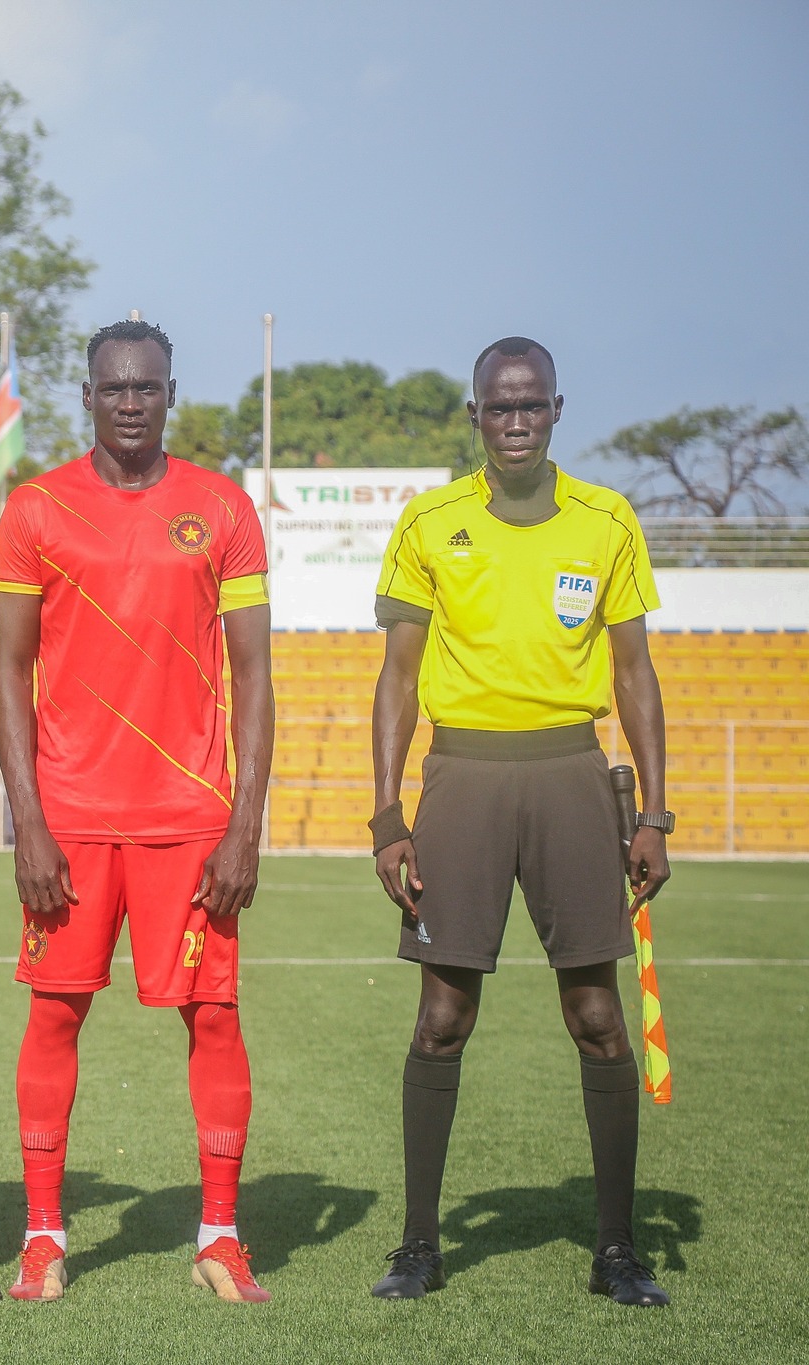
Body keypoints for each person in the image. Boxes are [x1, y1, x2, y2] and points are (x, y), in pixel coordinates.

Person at [368, 336, 672, 1307]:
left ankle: (616, 1250)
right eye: (497, 407)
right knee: (440, 1018)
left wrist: (654, 814)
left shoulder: (606, 519)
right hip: (460, 779)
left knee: (597, 1017)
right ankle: (418, 1245)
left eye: (530, 405)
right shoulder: (430, 521)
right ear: (474, 415)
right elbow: (397, 678)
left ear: (554, 411)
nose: (514, 421)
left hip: (571, 776)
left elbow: (634, 672)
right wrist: (386, 814)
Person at [0, 319, 275, 1305]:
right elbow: (10, 674)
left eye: (145, 387)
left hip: (190, 818)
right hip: (70, 817)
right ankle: (42, 1236)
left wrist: (243, 826)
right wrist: (27, 823)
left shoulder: (222, 506)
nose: (128, 402)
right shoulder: (34, 509)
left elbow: (253, 675)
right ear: (86, 396)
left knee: (214, 1019)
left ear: (169, 395)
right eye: (112, 387)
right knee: (53, 1013)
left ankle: (220, 1235)